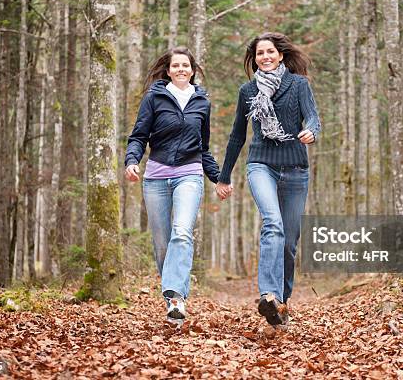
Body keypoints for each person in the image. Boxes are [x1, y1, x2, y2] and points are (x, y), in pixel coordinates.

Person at [215, 32, 321, 326]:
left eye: (270, 52)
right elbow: (237, 136)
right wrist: (223, 177)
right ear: (255, 59)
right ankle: (268, 295)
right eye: (260, 53)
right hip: (261, 164)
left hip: (296, 168)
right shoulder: (248, 91)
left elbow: (313, 117)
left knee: (289, 242)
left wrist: (312, 131)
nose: (265, 57)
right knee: (272, 223)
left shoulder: (299, 85)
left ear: (281, 55)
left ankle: (281, 305)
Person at [125, 47, 219, 323]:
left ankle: (177, 297)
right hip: (155, 176)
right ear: (168, 71)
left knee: (182, 232)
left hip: (189, 174)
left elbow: (205, 147)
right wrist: (132, 160)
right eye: (175, 65)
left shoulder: (202, 101)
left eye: (185, 65)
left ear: (192, 70)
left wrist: (218, 177)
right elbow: (138, 135)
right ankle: (170, 302)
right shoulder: (154, 97)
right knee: (162, 243)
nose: (180, 69)